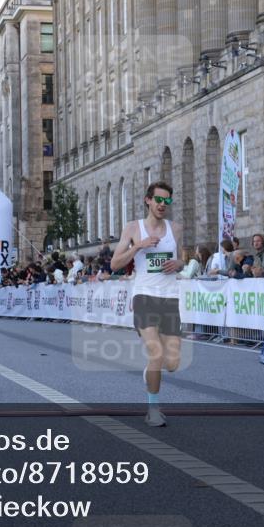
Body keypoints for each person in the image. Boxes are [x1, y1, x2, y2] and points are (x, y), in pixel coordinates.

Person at [110, 181, 184, 428]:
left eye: (167, 201)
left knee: (172, 364)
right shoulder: (133, 228)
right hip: (144, 297)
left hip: (170, 298)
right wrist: (138, 246)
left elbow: (181, 258)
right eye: (158, 200)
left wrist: (179, 264)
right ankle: (153, 409)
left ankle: (150, 373)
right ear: (148, 200)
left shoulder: (175, 228)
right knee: (157, 354)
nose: (163, 205)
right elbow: (114, 265)